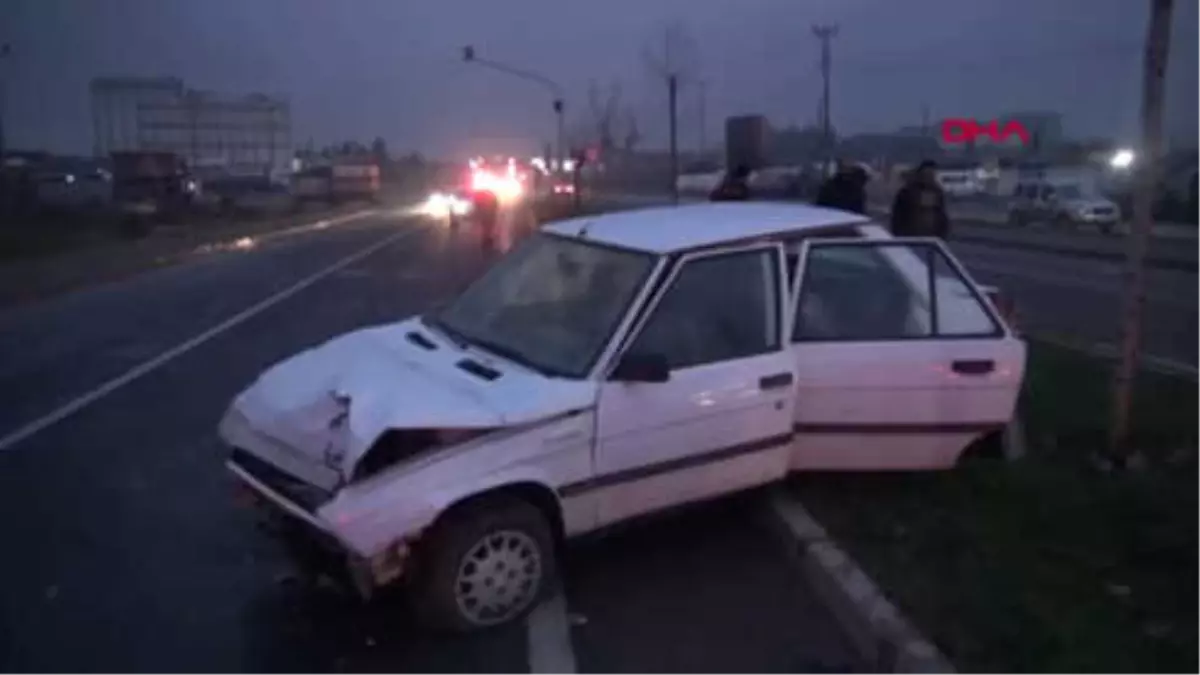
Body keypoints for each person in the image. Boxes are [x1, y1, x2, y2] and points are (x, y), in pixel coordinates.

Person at [890, 160, 950, 239]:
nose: (930, 175)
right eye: (927, 172)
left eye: (932, 173)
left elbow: (941, 214)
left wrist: (943, 233)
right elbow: (898, 216)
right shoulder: (908, 192)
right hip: (911, 236)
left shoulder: (937, 192)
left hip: (932, 237)